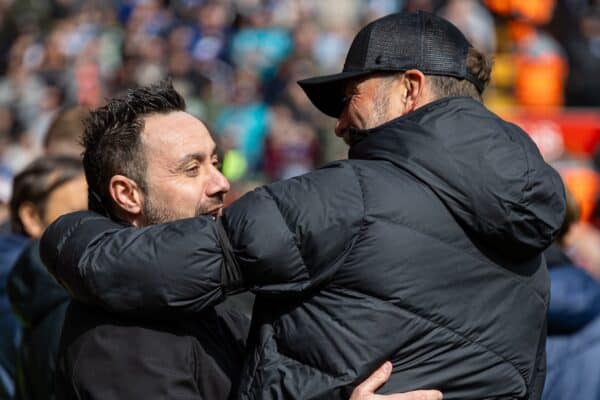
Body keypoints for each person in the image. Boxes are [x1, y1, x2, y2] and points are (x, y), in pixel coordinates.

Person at [42, 11, 565, 399]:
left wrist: (68, 232)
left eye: (350, 97)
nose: (339, 123)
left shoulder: (349, 197)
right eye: (191, 167)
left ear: (409, 89)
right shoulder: (528, 247)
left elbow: (133, 267)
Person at [39, 81, 435, 400]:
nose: (221, 183)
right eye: (191, 168)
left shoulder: (214, 301)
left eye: (215, 162)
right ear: (128, 194)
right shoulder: (120, 338)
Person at [5, 155, 87, 400]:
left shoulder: (36, 295)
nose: (99, 231)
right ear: (31, 217)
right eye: (79, 218)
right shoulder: (67, 305)